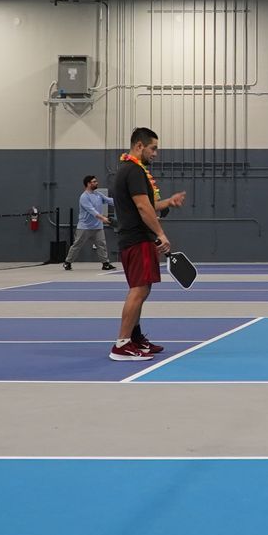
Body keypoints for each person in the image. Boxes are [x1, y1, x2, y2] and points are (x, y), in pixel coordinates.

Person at [108, 128, 187, 361]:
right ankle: (121, 345)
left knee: (143, 289)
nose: (156, 153)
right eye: (153, 148)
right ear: (139, 146)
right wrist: (161, 234)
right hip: (137, 239)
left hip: (136, 239)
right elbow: (143, 208)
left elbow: (147, 205)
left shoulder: (132, 170)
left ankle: (134, 337)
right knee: (139, 290)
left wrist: (168, 202)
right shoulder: (133, 171)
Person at [64, 174, 113, 271]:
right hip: (84, 227)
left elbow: (109, 201)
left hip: (97, 226)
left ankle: (105, 264)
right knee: (77, 245)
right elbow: (92, 211)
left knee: (101, 245)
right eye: (94, 182)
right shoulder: (84, 197)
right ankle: (67, 262)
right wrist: (102, 218)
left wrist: (123, 200)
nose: (96, 183)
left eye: (96, 181)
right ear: (88, 184)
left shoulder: (98, 194)